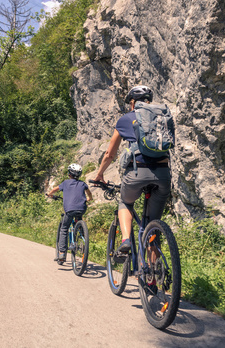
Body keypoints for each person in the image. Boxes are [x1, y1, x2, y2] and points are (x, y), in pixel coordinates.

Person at [92, 85, 171, 255]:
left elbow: (109, 154)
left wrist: (99, 174)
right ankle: (152, 277)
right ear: (149, 101)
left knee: (125, 202)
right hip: (163, 173)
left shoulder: (125, 119)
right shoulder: (161, 118)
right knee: (153, 225)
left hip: (137, 172)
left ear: (133, 103)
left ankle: (126, 240)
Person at [47, 163, 93, 265]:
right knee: (78, 219)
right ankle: (80, 235)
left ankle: (62, 253)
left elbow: (55, 189)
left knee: (64, 228)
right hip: (81, 208)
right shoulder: (83, 184)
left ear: (69, 174)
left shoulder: (65, 183)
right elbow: (89, 193)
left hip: (70, 209)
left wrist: (50, 195)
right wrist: (89, 199)